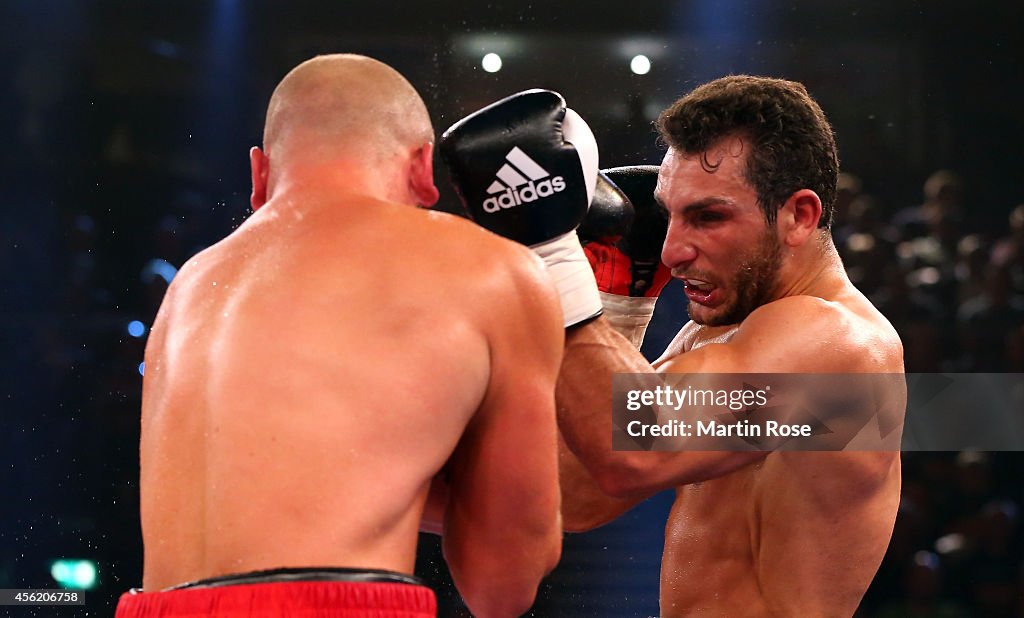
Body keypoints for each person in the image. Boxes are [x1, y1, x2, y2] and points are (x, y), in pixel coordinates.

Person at [116, 54, 564, 618]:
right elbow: (505, 583)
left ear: (259, 174)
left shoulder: (189, 287)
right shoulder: (486, 269)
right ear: (424, 168)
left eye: (705, 218)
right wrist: (572, 269)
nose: (676, 248)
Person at [443, 76, 906, 617]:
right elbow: (581, 491)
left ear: (799, 216)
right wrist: (620, 305)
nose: (672, 249)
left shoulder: (841, 351)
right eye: (669, 214)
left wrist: (553, 257)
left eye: (708, 216)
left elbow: (634, 457)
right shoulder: (720, 333)